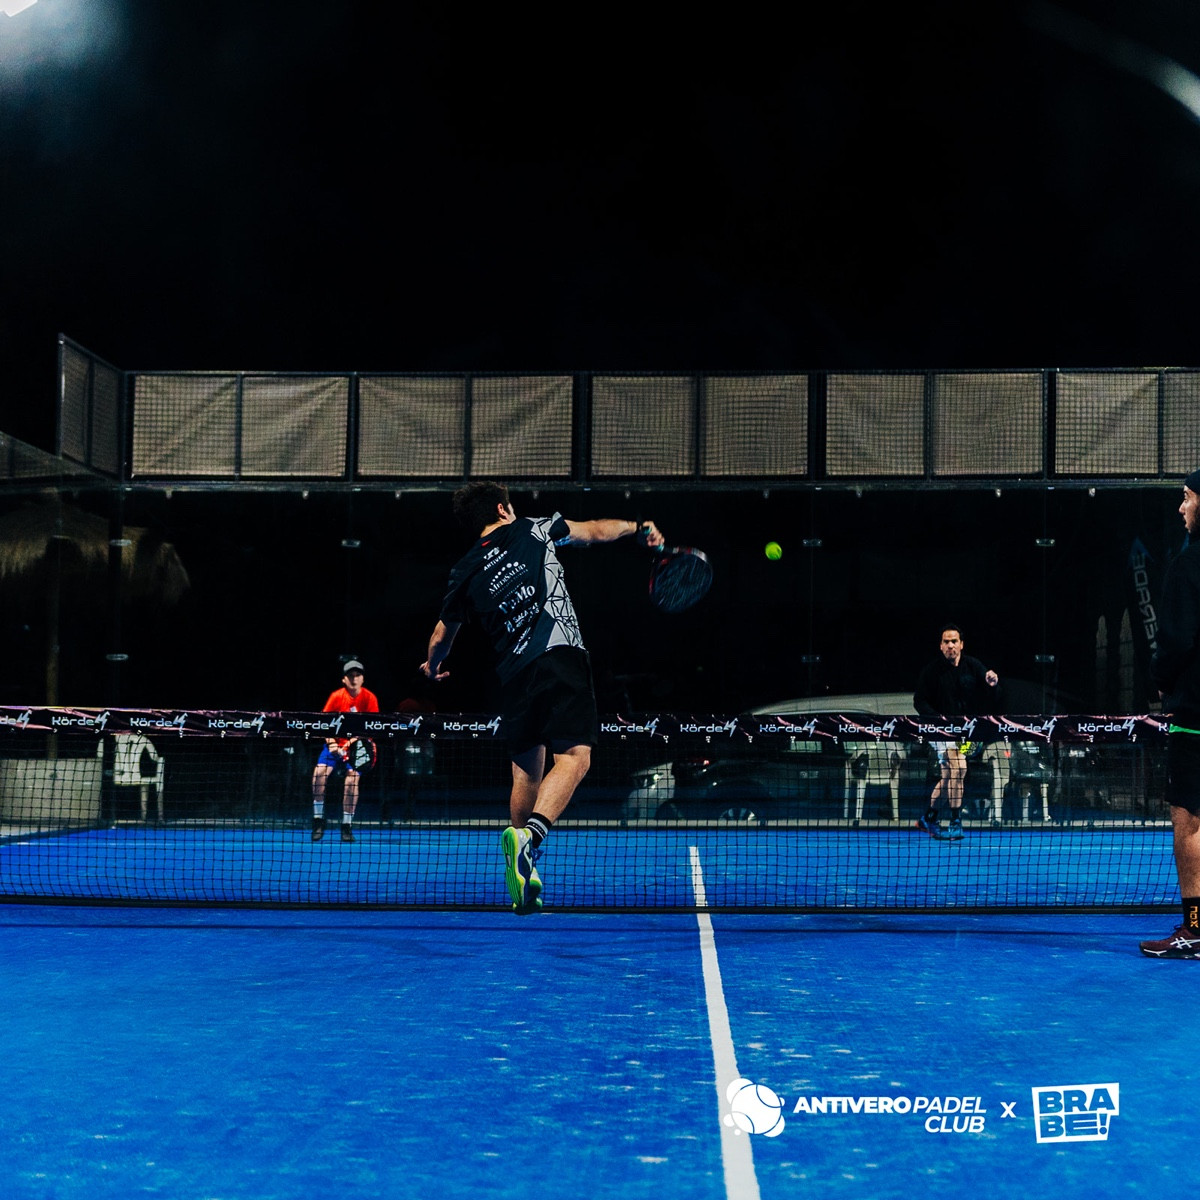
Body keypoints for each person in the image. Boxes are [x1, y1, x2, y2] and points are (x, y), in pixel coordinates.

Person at [420, 481, 664, 914]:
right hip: (558, 656)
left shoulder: (465, 569)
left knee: (526, 774)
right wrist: (637, 526)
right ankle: (529, 839)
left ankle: (525, 873)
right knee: (575, 757)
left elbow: (442, 634)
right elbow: (594, 531)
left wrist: (434, 667)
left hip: (513, 678)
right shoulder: (533, 528)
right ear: (502, 510)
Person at [1141, 470, 1200, 958]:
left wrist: (1162, 680)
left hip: (1195, 714)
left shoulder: (1187, 566)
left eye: (1187, 498)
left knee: (1190, 820)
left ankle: (1195, 928)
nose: (1181, 508)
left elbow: (1175, 642)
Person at [913, 625, 999, 840]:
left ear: (961, 644)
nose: (950, 645)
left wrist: (993, 684)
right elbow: (919, 701)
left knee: (949, 777)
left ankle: (928, 818)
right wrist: (938, 720)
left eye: (954, 641)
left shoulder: (973, 666)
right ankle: (955, 822)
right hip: (940, 732)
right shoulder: (931, 671)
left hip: (966, 734)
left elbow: (990, 691)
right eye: (946, 641)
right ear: (941, 646)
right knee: (959, 768)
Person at [311, 659, 380, 843]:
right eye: (350, 675)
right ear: (344, 679)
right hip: (334, 746)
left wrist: (350, 743)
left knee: (352, 780)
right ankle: (318, 820)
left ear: (363, 679)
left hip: (357, 748)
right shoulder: (336, 697)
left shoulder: (370, 698)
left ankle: (346, 826)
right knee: (319, 774)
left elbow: (372, 729)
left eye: (357, 675)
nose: (354, 679)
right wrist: (332, 743)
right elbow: (324, 724)